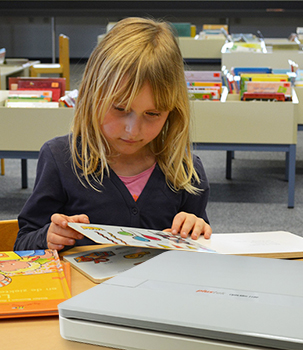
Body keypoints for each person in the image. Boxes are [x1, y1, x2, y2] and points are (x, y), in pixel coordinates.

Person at [14, 17, 211, 252]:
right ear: (92, 95)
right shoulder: (60, 159)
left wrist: (196, 230)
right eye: (120, 109)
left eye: (153, 114)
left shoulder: (187, 171)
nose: (133, 130)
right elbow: (23, 243)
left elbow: (201, 246)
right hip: (83, 289)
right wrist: (48, 236)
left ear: (173, 111)